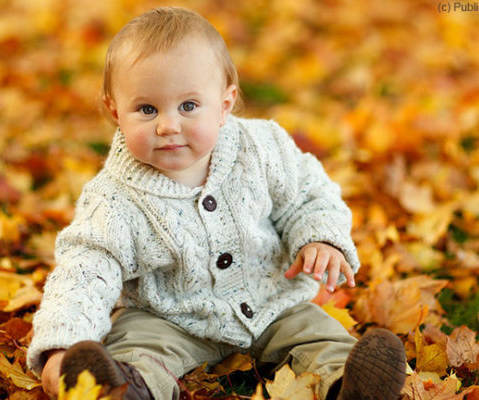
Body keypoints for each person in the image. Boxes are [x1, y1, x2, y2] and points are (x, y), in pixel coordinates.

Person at [27, 6, 406, 400]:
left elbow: (309, 194)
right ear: (114, 111)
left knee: (318, 336)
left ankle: (350, 385)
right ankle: (124, 389)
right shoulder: (114, 198)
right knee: (138, 347)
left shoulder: (261, 147)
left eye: (188, 106)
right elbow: (85, 271)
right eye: (146, 109)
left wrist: (319, 238)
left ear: (225, 104)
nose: (168, 125)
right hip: (170, 318)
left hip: (272, 301)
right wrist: (61, 345)